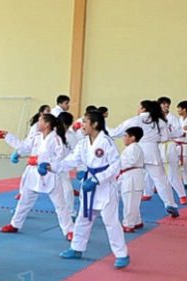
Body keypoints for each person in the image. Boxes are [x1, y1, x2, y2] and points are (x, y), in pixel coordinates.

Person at [47, 111, 130, 269]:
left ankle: (122, 254)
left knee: (111, 222)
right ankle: (76, 248)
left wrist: (98, 179)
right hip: (88, 186)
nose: (82, 125)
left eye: (85, 122)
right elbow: (70, 161)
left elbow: (115, 166)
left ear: (95, 124)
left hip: (105, 187)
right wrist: (52, 167)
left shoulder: (106, 142)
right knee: (83, 218)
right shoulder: (83, 143)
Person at [0, 113, 74, 241]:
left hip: (49, 174)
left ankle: (69, 230)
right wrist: (7, 136)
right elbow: (23, 146)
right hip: (33, 174)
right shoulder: (36, 137)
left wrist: (42, 161)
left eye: (40, 121)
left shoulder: (56, 139)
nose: (38, 123)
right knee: (24, 202)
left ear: (47, 124)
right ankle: (15, 224)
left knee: (60, 205)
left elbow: (60, 157)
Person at [109, 100, 180, 217]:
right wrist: (152, 139)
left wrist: (102, 127)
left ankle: (109, 200)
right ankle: (170, 204)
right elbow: (164, 138)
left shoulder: (134, 120)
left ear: (143, 108)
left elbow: (116, 132)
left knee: (123, 176)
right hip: (152, 152)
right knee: (161, 180)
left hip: (135, 151)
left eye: (139, 107)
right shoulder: (160, 121)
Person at [158, 97, 187, 204]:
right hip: (158, 147)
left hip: (169, 145)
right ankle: (148, 192)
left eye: (167, 104)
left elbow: (180, 132)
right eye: (164, 104)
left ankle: (182, 195)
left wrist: (170, 131)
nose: (166, 106)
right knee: (152, 171)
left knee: (172, 173)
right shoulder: (156, 118)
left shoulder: (173, 118)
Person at [117, 127, 145, 232]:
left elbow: (131, 161)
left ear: (132, 138)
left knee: (130, 202)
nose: (123, 138)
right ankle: (137, 221)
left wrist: (118, 164)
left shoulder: (134, 148)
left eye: (125, 136)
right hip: (129, 175)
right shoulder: (133, 148)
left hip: (132, 177)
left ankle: (128, 224)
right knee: (132, 201)